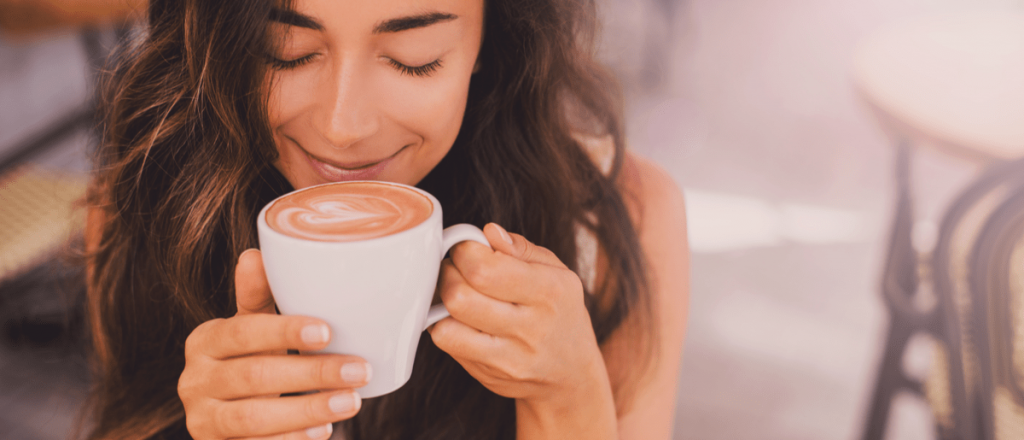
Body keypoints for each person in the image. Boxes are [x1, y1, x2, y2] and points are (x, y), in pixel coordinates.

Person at [84, 0, 690, 439]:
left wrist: (567, 398)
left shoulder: (618, 223)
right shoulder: (145, 201)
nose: (343, 127)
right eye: (285, 52)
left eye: (413, 59)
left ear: (490, 41)